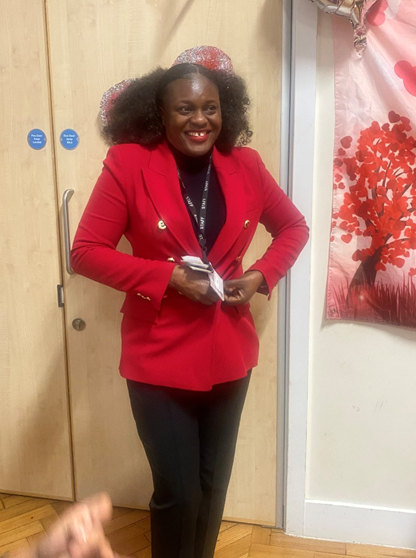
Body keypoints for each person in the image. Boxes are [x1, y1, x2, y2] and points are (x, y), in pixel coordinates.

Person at [71, 46, 309, 558]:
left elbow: (293, 227)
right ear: (159, 114)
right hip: (158, 354)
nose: (199, 120)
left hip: (229, 353)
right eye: (185, 108)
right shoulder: (129, 164)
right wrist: (169, 277)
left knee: (211, 486)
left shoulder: (246, 165)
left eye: (210, 108)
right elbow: (85, 252)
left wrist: (261, 275)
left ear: (226, 112)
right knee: (178, 492)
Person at [4, 493, 117, 558]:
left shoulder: (94, 528)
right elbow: (75, 547)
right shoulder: (78, 517)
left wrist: (109, 553)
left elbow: (102, 545)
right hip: (45, 552)